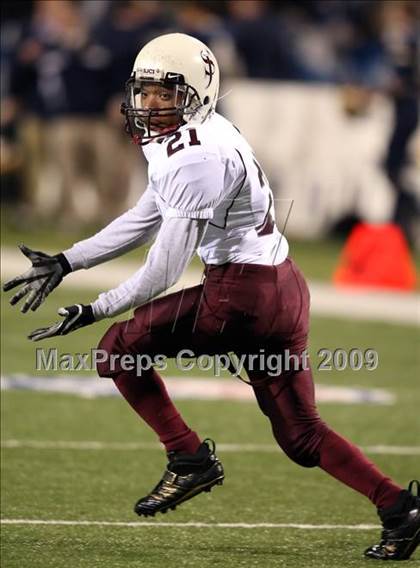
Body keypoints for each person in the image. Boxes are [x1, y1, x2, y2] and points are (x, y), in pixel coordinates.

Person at [3, 33, 419, 561]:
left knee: (116, 349)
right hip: (284, 287)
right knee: (301, 435)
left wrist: (94, 309)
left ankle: (188, 458)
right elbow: (146, 216)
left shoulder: (193, 158)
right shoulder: (207, 130)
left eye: (164, 93)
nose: (149, 104)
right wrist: (68, 261)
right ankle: (398, 508)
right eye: (145, 91)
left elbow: (163, 271)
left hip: (241, 297)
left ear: (197, 92)